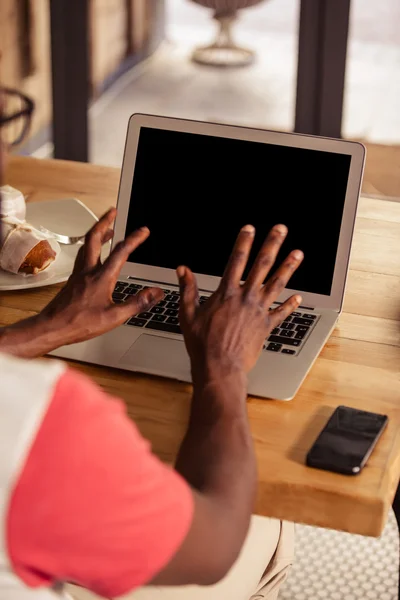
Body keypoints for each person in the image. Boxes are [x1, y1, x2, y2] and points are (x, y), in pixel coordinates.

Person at [0, 86, 304, 600]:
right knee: (266, 520)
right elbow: (212, 547)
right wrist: (224, 368)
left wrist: (47, 328)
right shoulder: (39, 418)